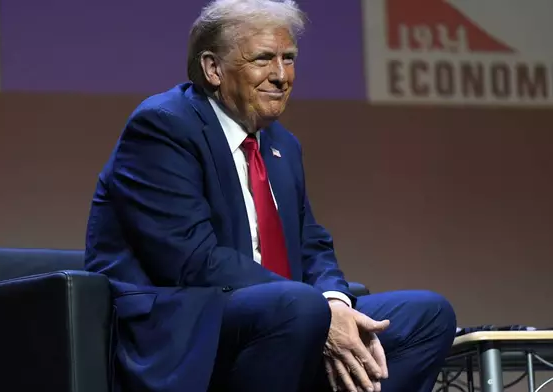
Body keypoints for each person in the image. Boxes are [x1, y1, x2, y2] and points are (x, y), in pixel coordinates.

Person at [84, 0, 457, 391]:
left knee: (427, 315)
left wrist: (334, 303)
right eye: (263, 59)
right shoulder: (164, 127)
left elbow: (311, 244)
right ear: (213, 69)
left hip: (287, 316)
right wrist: (311, 307)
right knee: (298, 306)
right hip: (185, 324)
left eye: (289, 58)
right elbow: (194, 262)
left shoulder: (282, 145)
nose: (281, 75)